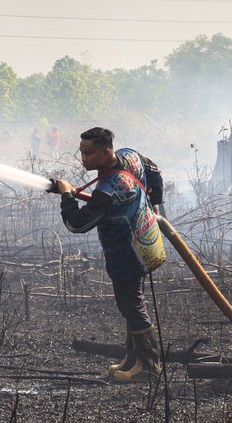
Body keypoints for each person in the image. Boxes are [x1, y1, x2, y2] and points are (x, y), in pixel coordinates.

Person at [49, 127, 166, 381]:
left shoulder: (109, 189)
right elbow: (153, 169)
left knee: (131, 305)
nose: (84, 159)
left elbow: (77, 224)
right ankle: (133, 358)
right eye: (81, 152)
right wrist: (153, 201)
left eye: (89, 153)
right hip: (144, 240)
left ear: (106, 152)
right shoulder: (129, 156)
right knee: (131, 304)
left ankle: (148, 367)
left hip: (125, 251)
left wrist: (67, 195)